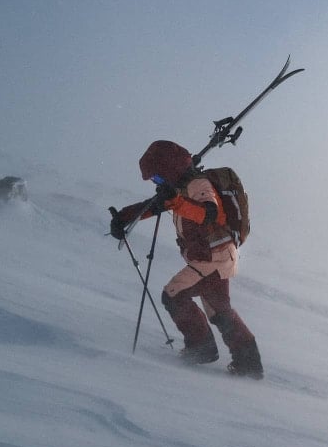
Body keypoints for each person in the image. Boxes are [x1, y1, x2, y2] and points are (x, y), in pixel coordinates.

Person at [110, 140, 263, 379]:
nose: (157, 184)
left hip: (213, 257)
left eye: (158, 178)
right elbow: (153, 207)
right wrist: (124, 218)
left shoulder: (198, 185)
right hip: (216, 256)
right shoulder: (181, 189)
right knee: (219, 311)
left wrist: (177, 201)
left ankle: (201, 349)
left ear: (169, 170)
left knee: (173, 295)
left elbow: (209, 214)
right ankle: (248, 364)